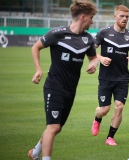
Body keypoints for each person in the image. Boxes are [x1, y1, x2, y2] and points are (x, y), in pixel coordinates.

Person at [28, 0, 98, 159]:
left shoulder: (88, 39)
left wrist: (93, 64)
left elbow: (93, 57)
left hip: (71, 89)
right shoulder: (57, 33)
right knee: (53, 127)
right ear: (82, 17)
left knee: (56, 128)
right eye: (91, 17)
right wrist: (38, 69)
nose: (92, 21)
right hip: (54, 86)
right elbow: (35, 47)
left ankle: (35, 152)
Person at [91, 5, 129, 146]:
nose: (124, 19)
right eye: (122, 16)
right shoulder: (104, 32)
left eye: (127, 17)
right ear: (115, 16)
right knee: (104, 110)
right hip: (106, 78)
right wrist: (100, 58)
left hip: (122, 78)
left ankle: (110, 137)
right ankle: (97, 118)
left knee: (119, 106)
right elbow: (91, 50)